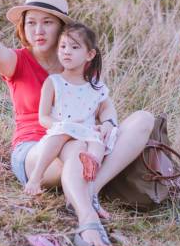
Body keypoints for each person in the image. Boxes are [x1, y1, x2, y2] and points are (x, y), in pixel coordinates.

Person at [0, 0, 154, 246]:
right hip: (35, 152)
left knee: (143, 119)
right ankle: (88, 223)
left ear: (62, 28)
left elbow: (102, 104)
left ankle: (90, 190)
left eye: (47, 22)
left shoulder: (78, 64)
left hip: (83, 146)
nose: (38, 29)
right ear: (23, 28)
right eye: (31, 22)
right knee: (72, 147)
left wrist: (108, 122)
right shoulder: (17, 61)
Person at [29, 23, 117, 210]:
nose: (67, 52)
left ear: (90, 55)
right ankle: (36, 178)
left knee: (98, 143)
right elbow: (43, 117)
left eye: (74, 47)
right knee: (62, 133)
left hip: (86, 133)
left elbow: (106, 109)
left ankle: (88, 189)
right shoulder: (54, 82)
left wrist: (107, 124)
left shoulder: (95, 86)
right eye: (63, 46)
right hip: (62, 132)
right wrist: (60, 125)